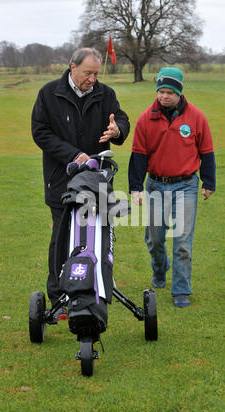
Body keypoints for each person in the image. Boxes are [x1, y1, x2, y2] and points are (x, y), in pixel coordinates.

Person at [31, 47, 130, 321]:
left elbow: (121, 119)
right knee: (61, 239)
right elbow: (40, 132)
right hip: (61, 182)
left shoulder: (105, 94)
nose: (92, 79)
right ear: (72, 67)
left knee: (97, 237)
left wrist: (117, 129)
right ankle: (59, 299)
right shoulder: (48, 94)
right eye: (87, 73)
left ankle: (95, 290)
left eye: (96, 73)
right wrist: (73, 155)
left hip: (96, 183)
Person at [128, 67, 216, 308]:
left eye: (169, 92)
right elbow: (138, 155)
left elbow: (206, 151)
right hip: (155, 184)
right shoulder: (146, 118)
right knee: (155, 239)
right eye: (160, 91)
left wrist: (208, 182)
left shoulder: (196, 117)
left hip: (186, 185)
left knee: (183, 241)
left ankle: (181, 289)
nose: (164, 96)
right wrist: (135, 187)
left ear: (179, 93)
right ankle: (160, 267)